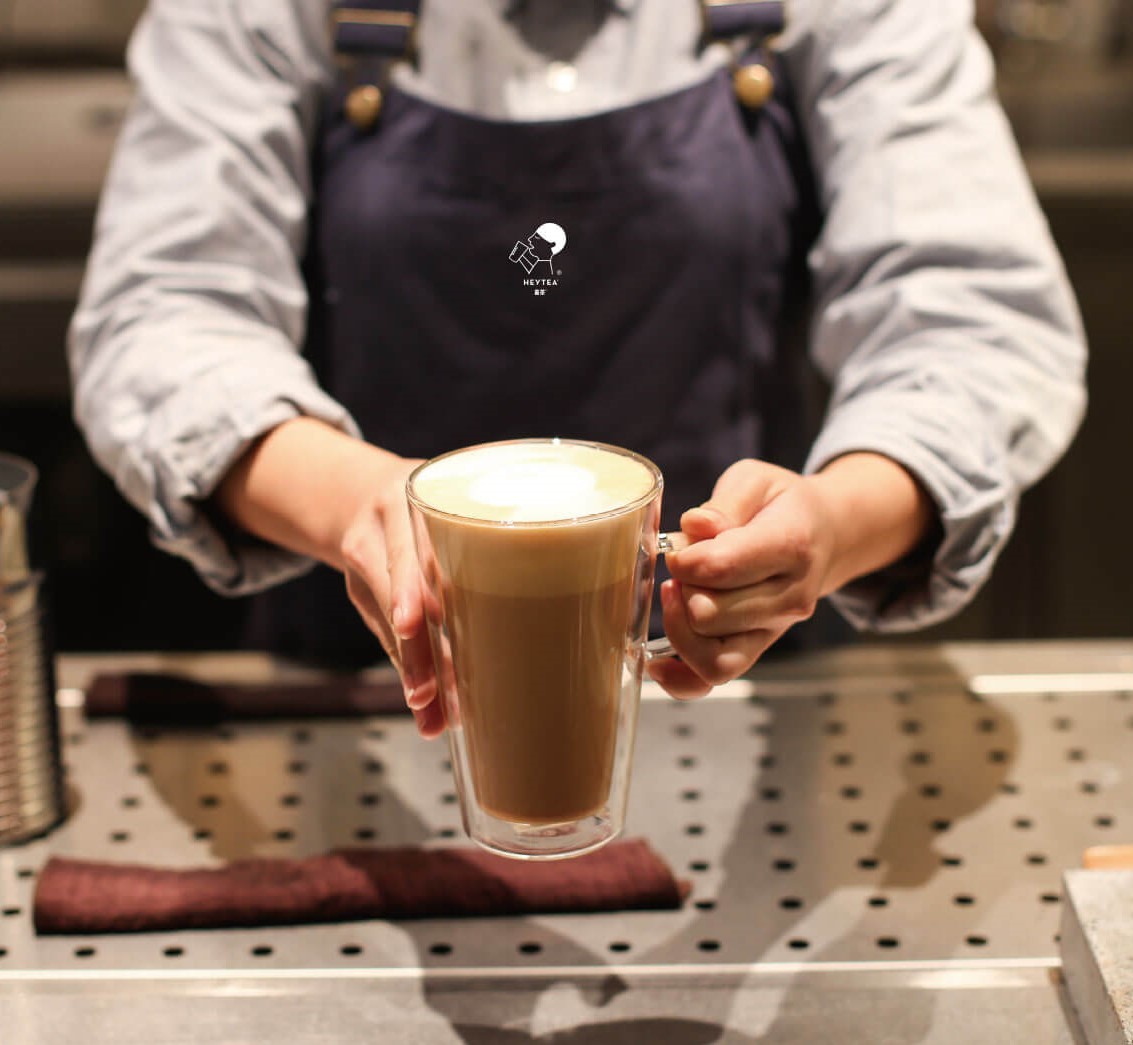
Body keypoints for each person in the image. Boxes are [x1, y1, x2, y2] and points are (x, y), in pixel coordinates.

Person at [68, 0, 1087, 739]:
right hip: (363, 696)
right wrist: (359, 503)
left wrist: (831, 524)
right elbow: (166, 313)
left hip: (749, 692)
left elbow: (969, 316)